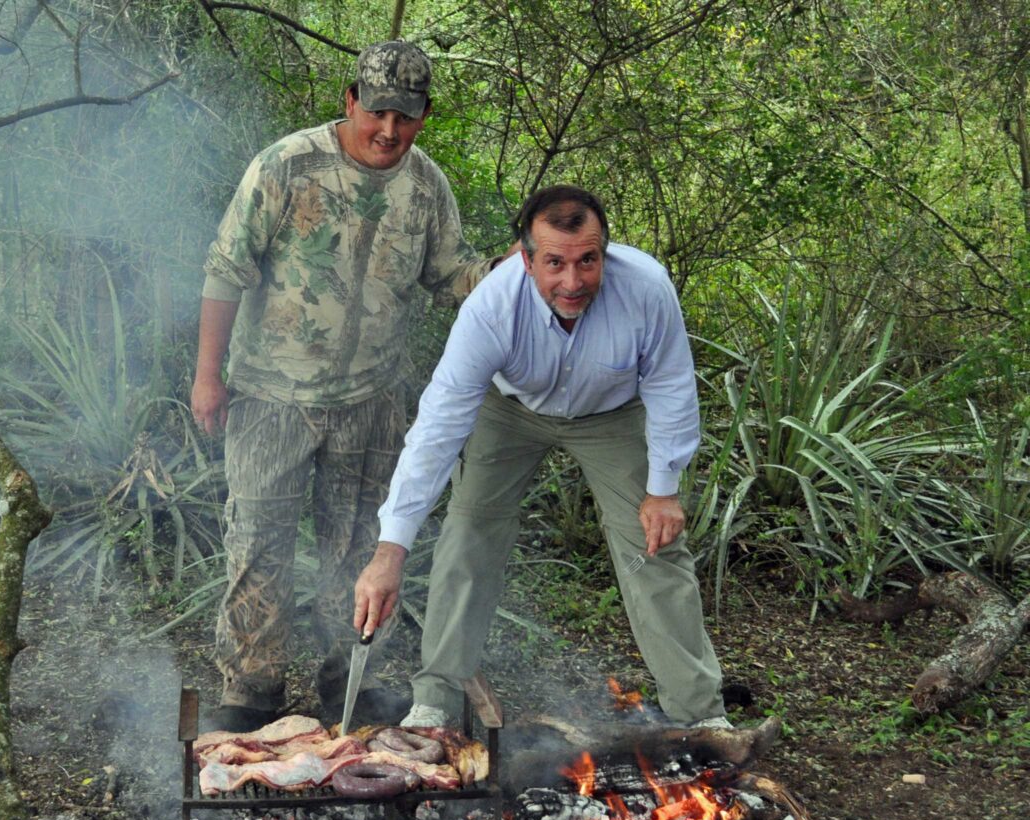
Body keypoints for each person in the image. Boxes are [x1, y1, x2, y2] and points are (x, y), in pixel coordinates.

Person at [191, 41, 505, 732]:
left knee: (360, 550)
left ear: (425, 117)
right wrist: (207, 376)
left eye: (408, 116)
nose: (390, 130)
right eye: (380, 112)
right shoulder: (289, 164)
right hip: (270, 396)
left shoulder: (426, 186)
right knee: (258, 547)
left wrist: (514, 270)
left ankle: (347, 684)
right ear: (352, 100)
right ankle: (251, 692)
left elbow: (454, 275)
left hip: (370, 402)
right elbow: (226, 269)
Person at [353, 185, 729, 730]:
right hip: (509, 409)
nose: (572, 282)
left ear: (605, 252)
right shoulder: (491, 308)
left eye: (587, 261)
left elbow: (672, 386)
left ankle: (699, 713)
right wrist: (390, 550)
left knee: (655, 544)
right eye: (554, 263)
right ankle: (435, 701)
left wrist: (664, 488)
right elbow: (438, 426)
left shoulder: (647, 288)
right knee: (469, 532)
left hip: (613, 415)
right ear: (525, 260)